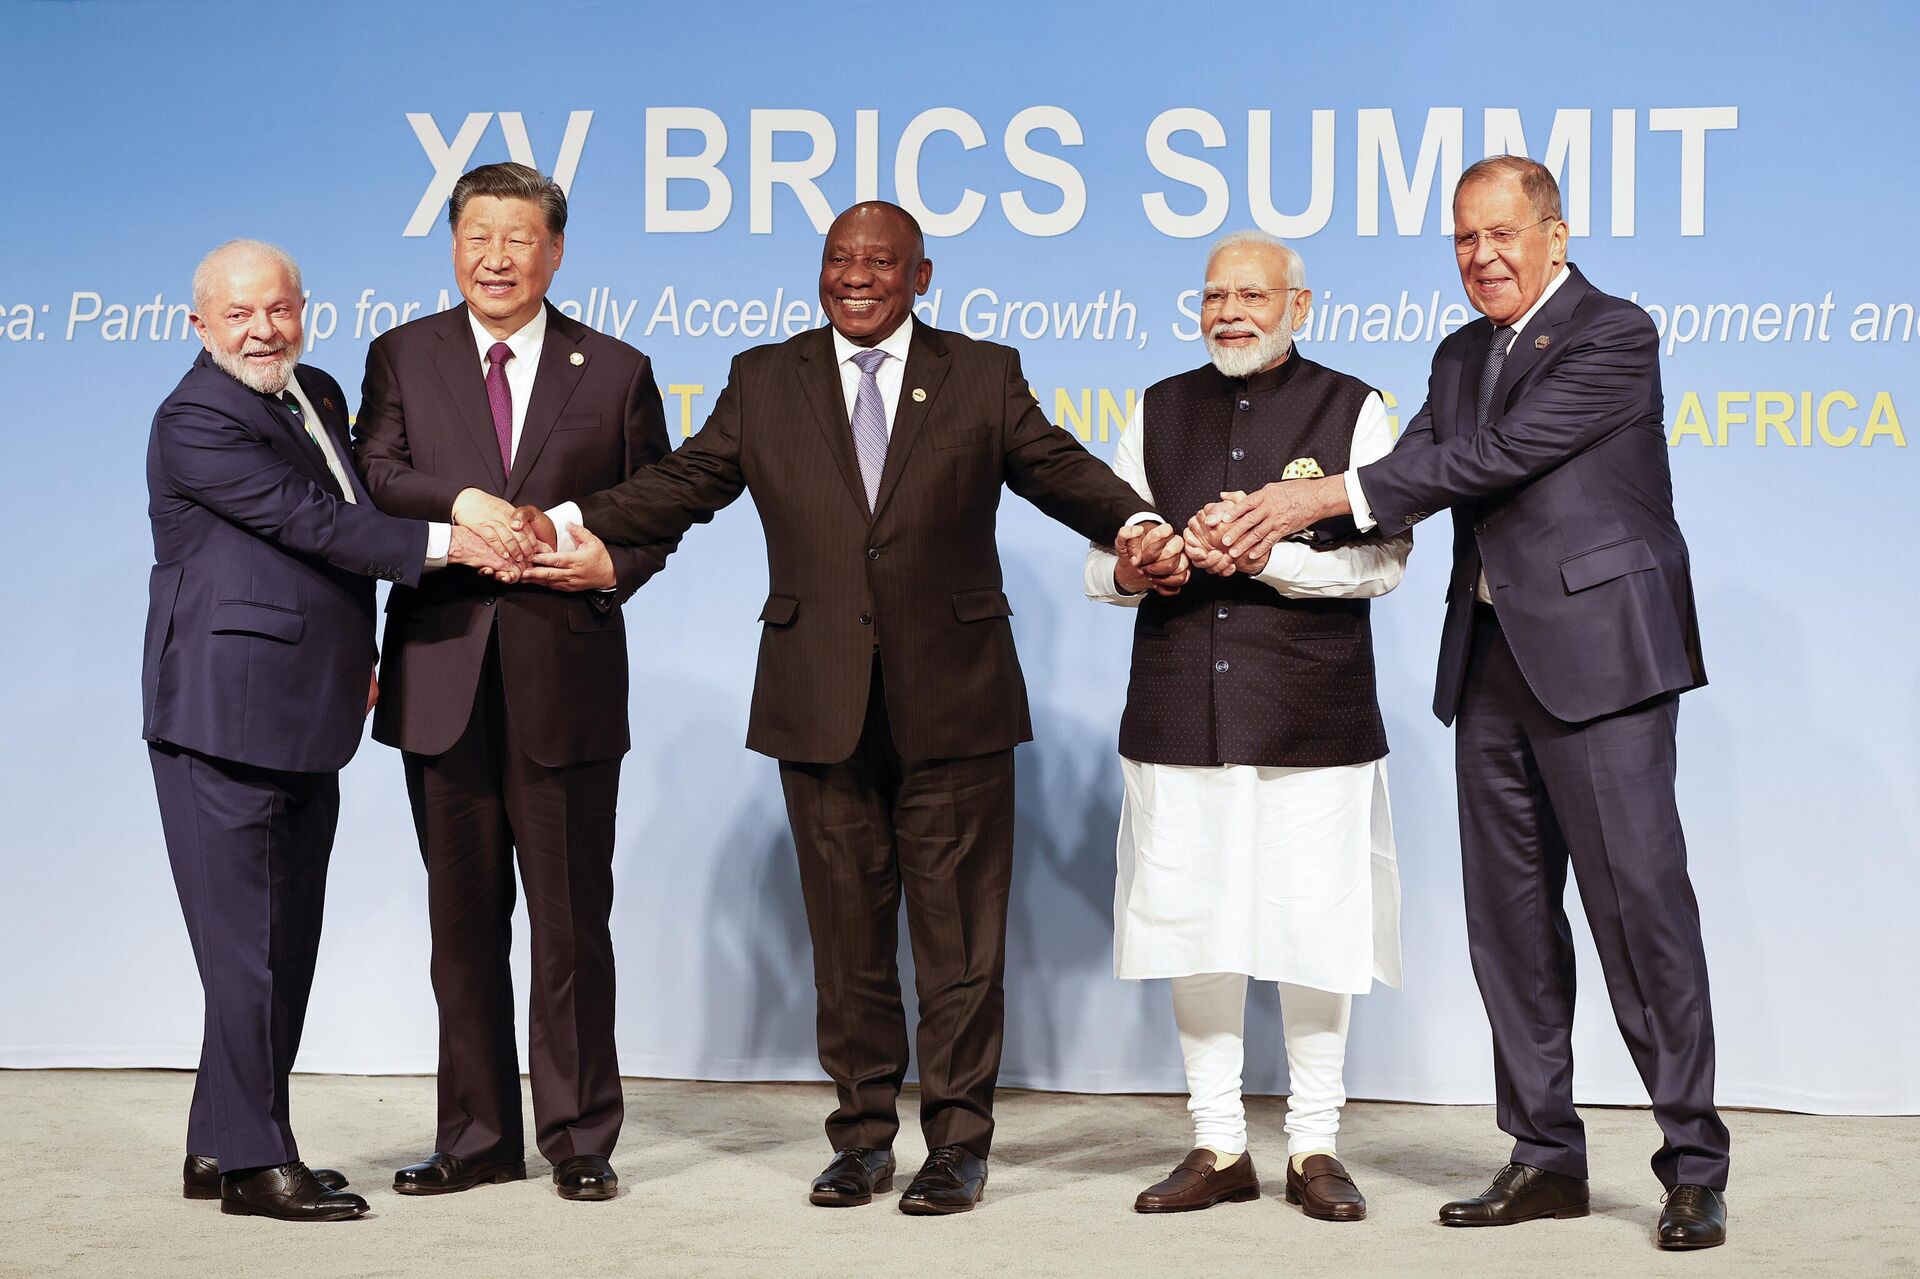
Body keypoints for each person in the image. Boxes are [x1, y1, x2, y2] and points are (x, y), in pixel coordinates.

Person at [520, 200, 1185, 1214]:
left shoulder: (981, 373)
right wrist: (569, 521)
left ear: (923, 277)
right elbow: (686, 481)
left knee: (960, 947)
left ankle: (957, 1145)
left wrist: (1135, 520)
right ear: (819, 271)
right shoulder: (764, 378)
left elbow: (1056, 468)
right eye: (839, 259)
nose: (857, 276)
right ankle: (861, 1139)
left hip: (955, 699)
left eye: (882, 261)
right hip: (815, 698)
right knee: (847, 940)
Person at [1192, 156, 1729, 1250]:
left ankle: (1692, 1163)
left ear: (1555, 234)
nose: (1482, 256)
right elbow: (1432, 456)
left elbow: (1499, 455)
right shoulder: (1456, 352)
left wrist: (1320, 490)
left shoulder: (1612, 334)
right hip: (1490, 665)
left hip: (1604, 667)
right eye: (1463, 239)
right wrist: (1274, 520)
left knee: (1640, 917)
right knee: (1511, 930)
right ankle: (1544, 1157)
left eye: (1502, 234)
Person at [144, 240, 509, 1221]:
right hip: (225, 718)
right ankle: (258, 1164)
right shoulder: (196, 418)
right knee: (250, 951)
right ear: (199, 325)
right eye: (238, 315)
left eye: (278, 309)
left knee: (278, 943)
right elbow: (314, 522)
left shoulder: (316, 388)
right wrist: (453, 543)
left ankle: (220, 1141)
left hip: (310, 707)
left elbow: (349, 503)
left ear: (303, 308)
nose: (262, 330)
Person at [352, 163, 678, 1203]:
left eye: (518, 237)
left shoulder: (617, 369)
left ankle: (579, 1139)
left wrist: (605, 557)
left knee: (572, 923)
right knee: (463, 923)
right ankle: (477, 1135)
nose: (496, 256)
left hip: (565, 680)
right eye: (477, 234)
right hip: (443, 674)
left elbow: (653, 505)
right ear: (453, 243)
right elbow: (377, 475)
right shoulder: (403, 353)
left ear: (556, 250)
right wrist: (466, 508)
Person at [1085, 231, 1408, 1222]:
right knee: (1197, 925)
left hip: (1315, 716)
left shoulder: (1357, 408)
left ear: (1298, 306)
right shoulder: (1154, 409)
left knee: (1317, 927)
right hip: (1180, 708)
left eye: (1252, 295)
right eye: (1214, 295)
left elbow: (1386, 564)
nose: (1229, 311)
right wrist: (1144, 565)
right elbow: (1102, 565)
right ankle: (1217, 1140)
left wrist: (1274, 554)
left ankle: (1315, 1142)